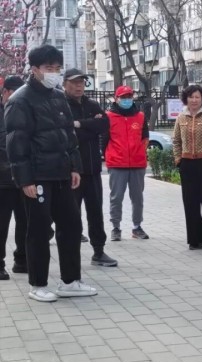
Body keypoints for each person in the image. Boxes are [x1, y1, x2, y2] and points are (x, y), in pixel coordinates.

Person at [4, 44, 97, 302]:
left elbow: (69, 135)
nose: (54, 73)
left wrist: (74, 167)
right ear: (34, 69)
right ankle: (38, 284)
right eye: (49, 68)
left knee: (71, 225)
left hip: (62, 174)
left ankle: (70, 281)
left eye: (57, 68)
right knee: (39, 230)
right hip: (38, 177)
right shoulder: (20, 100)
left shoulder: (58, 96)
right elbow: (16, 144)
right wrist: (25, 180)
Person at [63, 68, 117, 267]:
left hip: (93, 169)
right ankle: (71, 255)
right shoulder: (60, 104)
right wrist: (89, 127)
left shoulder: (92, 104)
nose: (79, 86)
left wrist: (78, 124)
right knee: (71, 214)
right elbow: (67, 133)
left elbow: (104, 125)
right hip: (71, 171)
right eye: (74, 82)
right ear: (65, 84)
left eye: (81, 82)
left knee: (95, 212)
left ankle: (99, 251)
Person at [172, 86, 202, 250]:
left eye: (197, 97)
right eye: (191, 97)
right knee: (190, 203)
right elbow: (176, 140)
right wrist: (178, 158)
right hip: (187, 164)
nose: (194, 100)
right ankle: (194, 240)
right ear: (186, 99)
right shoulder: (181, 117)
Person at [104, 85, 150, 241]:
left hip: (137, 164)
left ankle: (137, 227)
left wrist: (140, 152)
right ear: (116, 99)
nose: (126, 100)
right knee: (116, 197)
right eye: (123, 97)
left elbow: (145, 137)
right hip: (117, 164)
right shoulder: (109, 116)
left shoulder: (140, 116)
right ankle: (116, 227)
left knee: (137, 198)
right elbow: (104, 140)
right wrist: (109, 155)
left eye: (129, 97)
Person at [0, 76, 27, 279]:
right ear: (6, 92)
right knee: (2, 224)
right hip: (3, 179)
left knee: (25, 222)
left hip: (25, 178)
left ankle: (22, 260)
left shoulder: (25, 111)